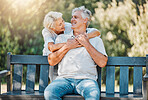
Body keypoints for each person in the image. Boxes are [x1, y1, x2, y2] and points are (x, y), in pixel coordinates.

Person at [44, 6, 108, 100]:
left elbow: (102, 62)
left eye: (75, 17)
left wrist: (86, 43)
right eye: (72, 17)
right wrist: (67, 46)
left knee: (93, 96)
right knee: (49, 93)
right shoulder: (61, 38)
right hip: (64, 79)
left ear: (85, 20)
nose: (72, 19)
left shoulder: (96, 40)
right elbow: (51, 61)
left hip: (87, 80)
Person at [42, 11, 101, 81]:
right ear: (52, 28)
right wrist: (70, 44)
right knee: (54, 79)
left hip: (65, 55)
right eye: (60, 24)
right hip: (52, 57)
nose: (63, 25)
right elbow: (51, 47)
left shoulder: (67, 26)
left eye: (62, 21)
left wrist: (85, 37)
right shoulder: (47, 31)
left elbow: (97, 32)